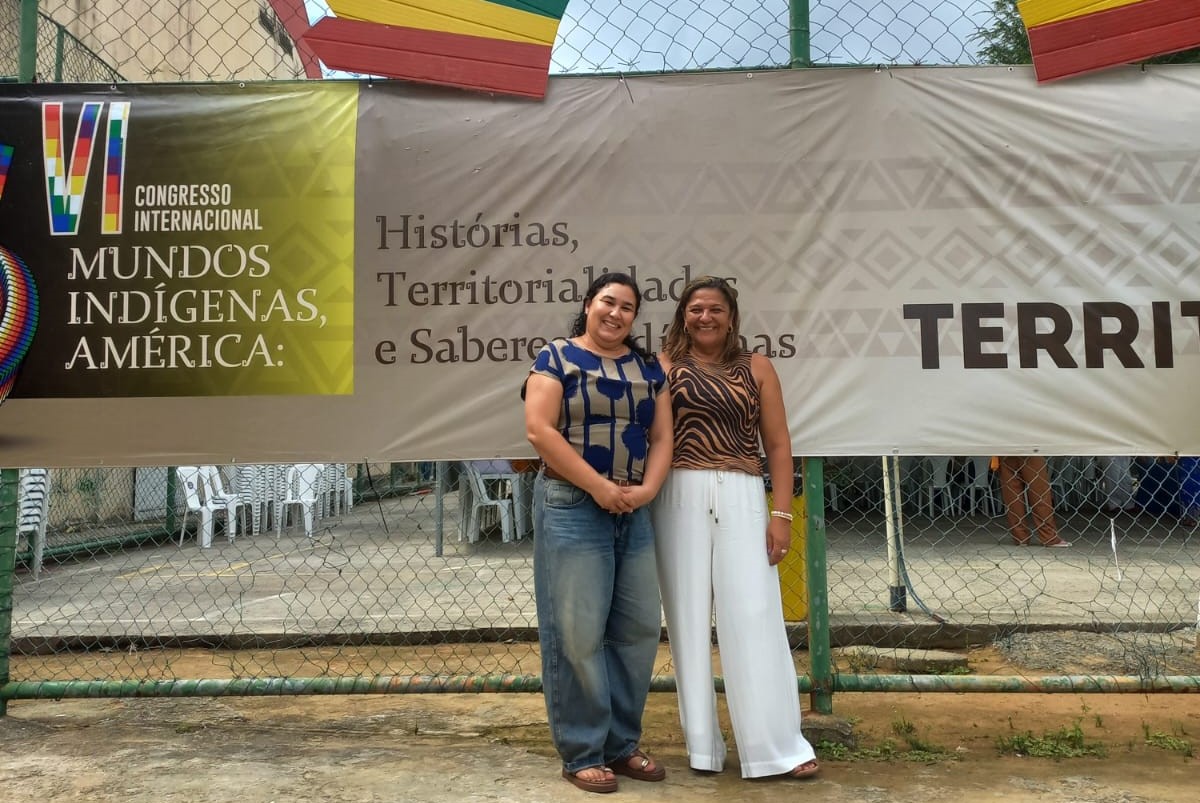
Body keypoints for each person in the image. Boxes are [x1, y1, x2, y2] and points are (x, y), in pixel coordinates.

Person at [650, 275, 819, 780]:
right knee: (687, 619)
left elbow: (780, 445)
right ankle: (704, 748)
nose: (705, 317)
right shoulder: (663, 366)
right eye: (696, 309)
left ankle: (776, 747)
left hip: (744, 492)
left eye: (715, 309)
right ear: (683, 315)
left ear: (731, 317)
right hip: (677, 491)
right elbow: (656, 437)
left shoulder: (758, 367)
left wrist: (782, 514)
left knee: (754, 613)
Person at [523, 272, 673, 794]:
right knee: (577, 634)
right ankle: (582, 750)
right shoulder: (557, 357)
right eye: (608, 302)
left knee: (634, 631)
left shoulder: (646, 366)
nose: (616, 313)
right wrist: (599, 487)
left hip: (632, 510)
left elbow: (661, 436)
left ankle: (621, 745)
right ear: (588, 305)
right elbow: (539, 430)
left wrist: (647, 490)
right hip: (572, 504)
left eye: (627, 307)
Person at [994, 456, 1070, 547]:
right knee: (1039, 492)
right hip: (1030, 448)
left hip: (1005, 449)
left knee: (1012, 495)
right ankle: (1049, 537)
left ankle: (1020, 537)